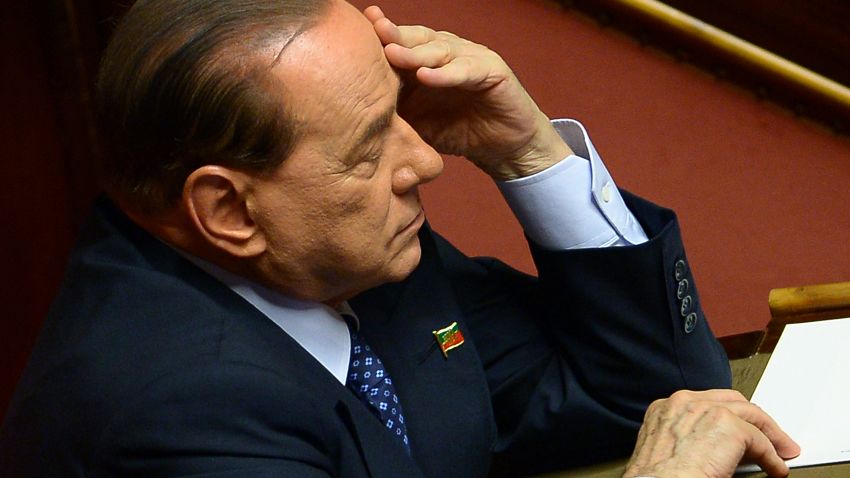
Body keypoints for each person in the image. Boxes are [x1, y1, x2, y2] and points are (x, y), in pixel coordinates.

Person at [0, 0, 798, 476]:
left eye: (399, 114)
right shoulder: (174, 408)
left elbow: (651, 391)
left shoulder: (344, 258)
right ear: (231, 213)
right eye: (368, 146)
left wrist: (524, 152)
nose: (427, 162)